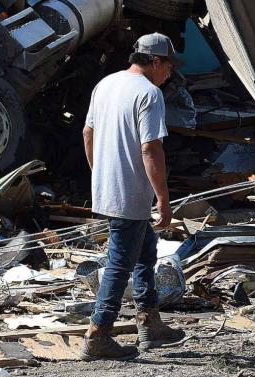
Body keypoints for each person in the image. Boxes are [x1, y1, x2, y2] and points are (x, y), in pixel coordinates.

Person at [80, 32, 188, 360]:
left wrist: (100, 173)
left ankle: (149, 323)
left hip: (109, 187)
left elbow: (88, 133)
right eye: (169, 65)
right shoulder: (149, 94)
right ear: (155, 62)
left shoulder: (106, 84)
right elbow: (150, 148)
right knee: (119, 262)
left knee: (144, 253)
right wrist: (164, 199)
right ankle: (98, 333)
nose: (170, 72)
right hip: (130, 192)